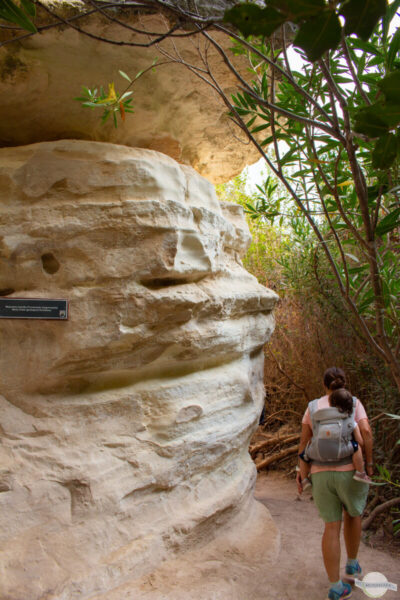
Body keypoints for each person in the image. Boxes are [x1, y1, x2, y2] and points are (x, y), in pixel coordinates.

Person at [296, 367, 373, 600]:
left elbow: (304, 442)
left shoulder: (312, 407)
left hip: (319, 473)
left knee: (331, 527)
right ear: (344, 384)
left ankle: (335, 586)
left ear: (324, 386)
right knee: (353, 514)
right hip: (350, 470)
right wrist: (369, 465)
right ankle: (352, 565)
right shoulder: (354, 403)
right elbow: (366, 432)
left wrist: (301, 473)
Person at [299, 387, 372, 490]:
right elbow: (362, 438)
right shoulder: (350, 421)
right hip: (342, 454)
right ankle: (360, 472)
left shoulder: (319, 416)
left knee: (303, 456)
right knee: (356, 448)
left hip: (319, 454)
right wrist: (366, 456)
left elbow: (304, 439)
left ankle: (304, 480)